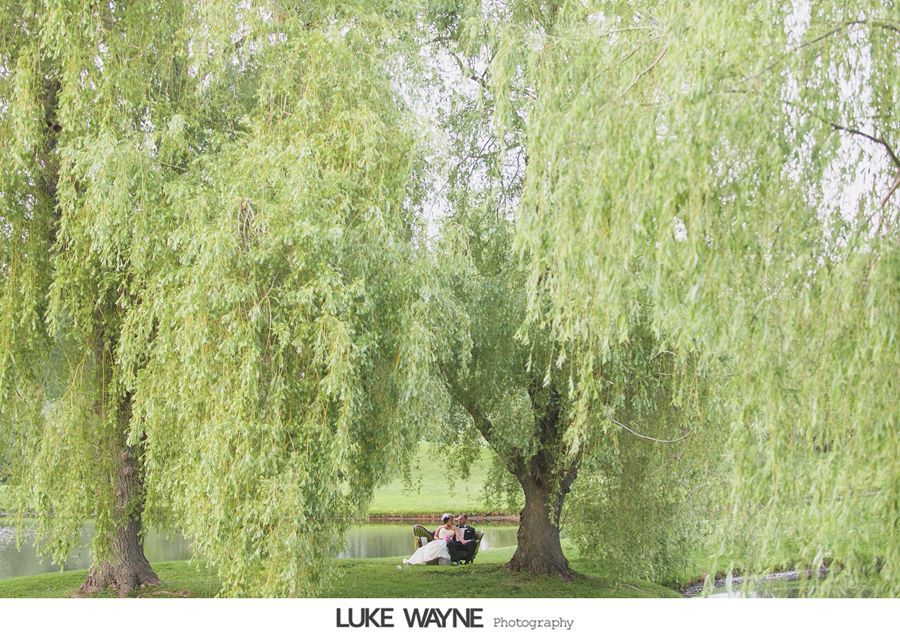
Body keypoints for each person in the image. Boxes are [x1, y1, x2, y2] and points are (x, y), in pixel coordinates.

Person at [403, 513, 470, 565]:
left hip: (447, 542)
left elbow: (458, 536)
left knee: (445, 547)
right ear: (447, 521)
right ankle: (429, 560)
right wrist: (439, 539)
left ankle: (443, 561)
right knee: (430, 547)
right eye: (451, 520)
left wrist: (463, 541)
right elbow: (435, 536)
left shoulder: (454, 528)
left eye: (452, 520)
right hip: (439, 541)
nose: (452, 521)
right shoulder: (440, 527)